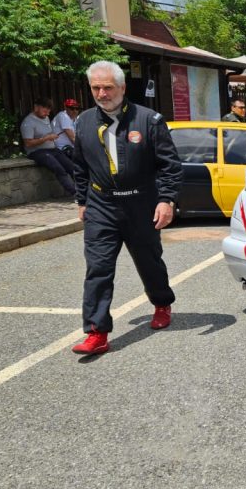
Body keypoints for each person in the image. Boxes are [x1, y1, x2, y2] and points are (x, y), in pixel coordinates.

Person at [70, 61, 183, 355]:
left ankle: (161, 303)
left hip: (140, 204)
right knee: (98, 269)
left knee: (149, 262)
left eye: (108, 87)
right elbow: (79, 167)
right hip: (101, 206)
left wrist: (166, 199)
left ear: (121, 87)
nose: (102, 93)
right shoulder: (83, 122)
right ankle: (97, 332)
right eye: (96, 87)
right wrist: (82, 201)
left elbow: (169, 165)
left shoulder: (149, 120)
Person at [21, 97, 76, 197]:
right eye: (45, 110)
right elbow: (28, 143)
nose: (48, 114)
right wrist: (45, 138)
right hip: (37, 152)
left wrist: (52, 137)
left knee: (71, 167)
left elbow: (47, 134)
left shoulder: (45, 118)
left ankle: (86, 191)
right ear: (36, 107)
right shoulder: (28, 122)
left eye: (49, 111)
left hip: (52, 149)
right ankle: (75, 193)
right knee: (59, 169)